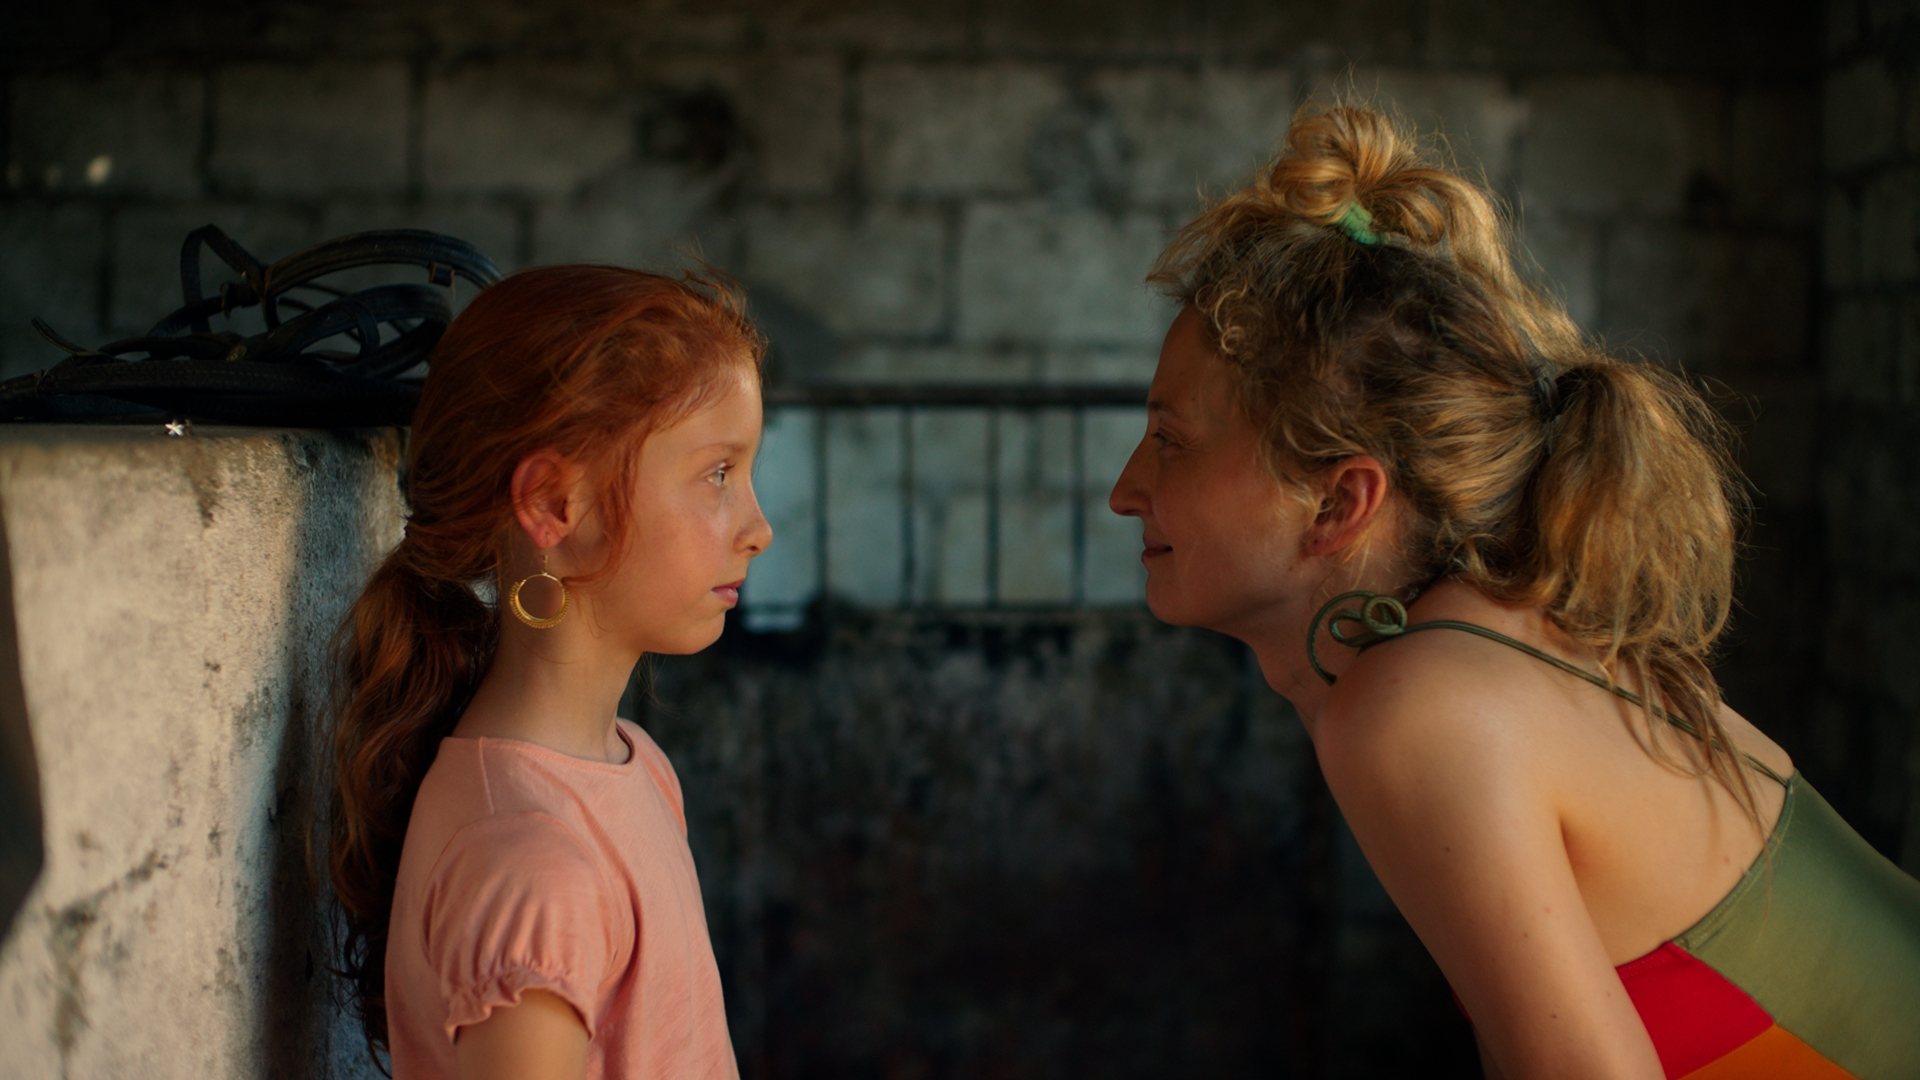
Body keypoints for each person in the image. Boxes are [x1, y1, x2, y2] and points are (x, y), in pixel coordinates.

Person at [1108, 103, 1920, 1078]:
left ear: (1338, 502)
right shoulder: (1482, 641)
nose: (1125, 491)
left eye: (1170, 441)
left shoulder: (1419, 705)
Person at [327, 265, 771, 1080]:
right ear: (555, 505)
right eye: (718, 474)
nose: (758, 528)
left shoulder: (637, 765)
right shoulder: (534, 866)